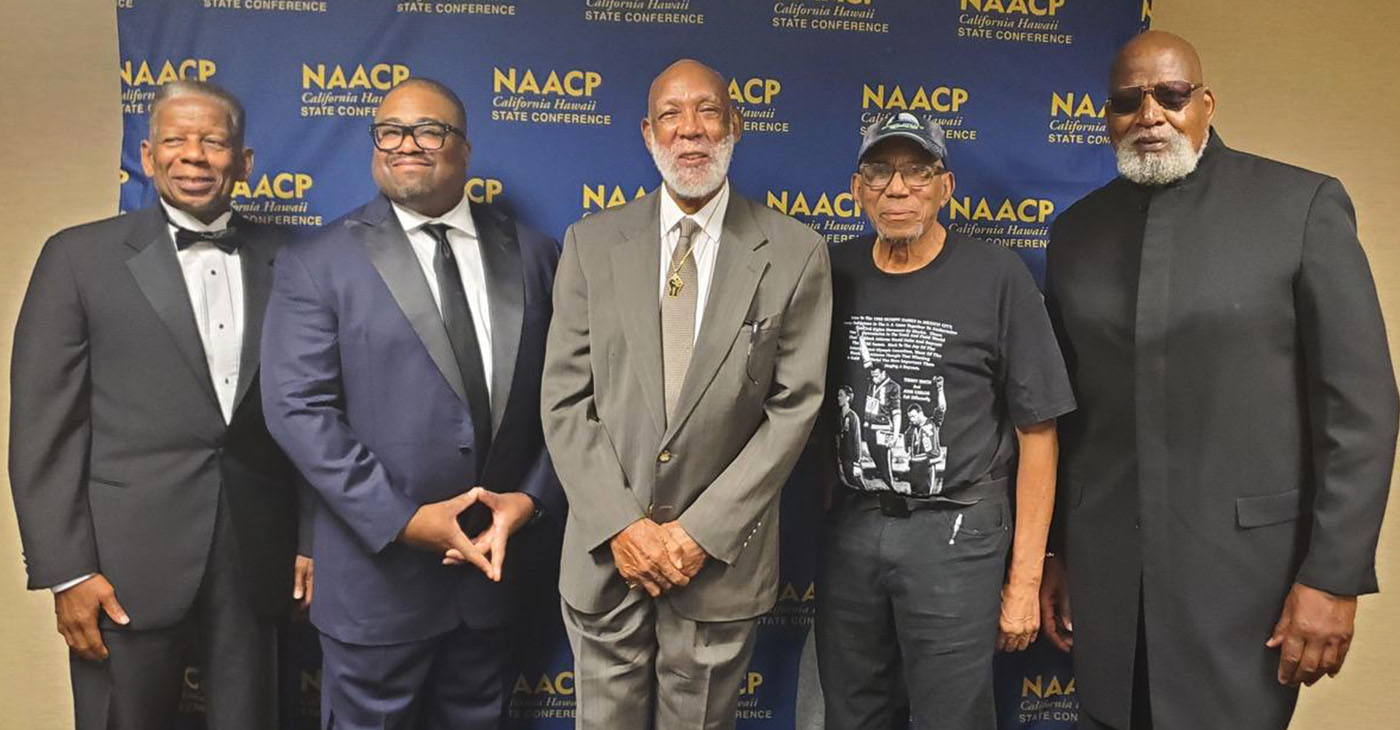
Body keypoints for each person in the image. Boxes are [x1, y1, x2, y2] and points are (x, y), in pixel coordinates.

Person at [1040, 31, 1398, 730]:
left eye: (1171, 95)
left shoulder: (1301, 208)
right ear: (1106, 116)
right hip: (1107, 581)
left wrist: (1333, 575)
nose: (1151, 114)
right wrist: (1055, 551)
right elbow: (1065, 414)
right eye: (1128, 100)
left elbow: (1360, 410)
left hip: (1245, 586)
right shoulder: (1076, 232)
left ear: (1205, 104)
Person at [260, 77, 563, 730]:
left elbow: (569, 399)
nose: (407, 145)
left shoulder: (539, 256)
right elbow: (298, 411)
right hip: (377, 584)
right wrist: (404, 519)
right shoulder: (318, 264)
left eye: (429, 130)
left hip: (494, 576)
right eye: (390, 131)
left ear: (464, 147)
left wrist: (532, 499)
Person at [541, 58, 831, 730]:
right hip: (606, 560)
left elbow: (796, 409)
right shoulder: (590, 245)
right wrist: (621, 525)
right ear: (648, 133)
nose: (689, 131)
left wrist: (700, 534)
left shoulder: (794, 252)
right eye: (671, 115)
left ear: (736, 124)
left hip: (717, 568)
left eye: (707, 111)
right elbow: (565, 399)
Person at [9, 79, 308, 730]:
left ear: (245, 162)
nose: (192, 155)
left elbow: (318, 414)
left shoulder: (296, 261)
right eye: (175, 140)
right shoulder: (76, 257)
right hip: (121, 566)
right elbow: (43, 428)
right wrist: (67, 572)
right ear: (147, 156)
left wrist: (310, 539)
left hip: (259, 557)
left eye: (212, 141)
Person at [815, 112, 1075, 729]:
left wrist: (1023, 580)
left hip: (956, 535)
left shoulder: (997, 276)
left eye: (916, 171)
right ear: (856, 188)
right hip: (854, 529)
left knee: (952, 718)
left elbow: (1038, 433)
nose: (897, 189)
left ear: (945, 185)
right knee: (852, 714)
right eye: (878, 171)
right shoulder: (831, 270)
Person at [835, 386, 864, 488]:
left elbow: (857, 439)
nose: (838, 398)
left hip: (852, 458)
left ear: (848, 398)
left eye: (841, 395)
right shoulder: (839, 417)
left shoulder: (853, 417)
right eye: (838, 395)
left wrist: (857, 462)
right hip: (843, 456)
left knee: (856, 481)